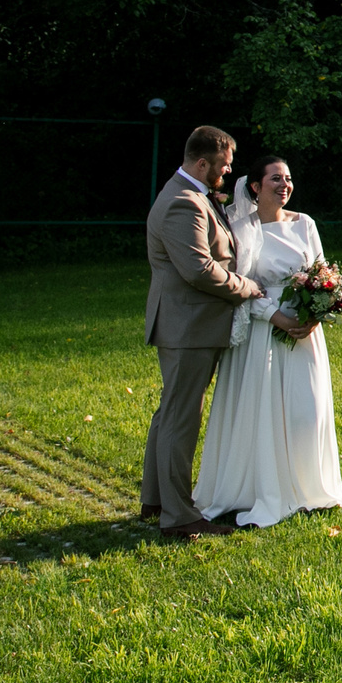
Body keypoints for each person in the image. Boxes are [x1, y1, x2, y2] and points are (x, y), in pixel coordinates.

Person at [193, 154, 342, 528]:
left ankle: (306, 486)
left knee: (305, 410)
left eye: (288, 179)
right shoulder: (239, 225)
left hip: (303, 331)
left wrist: (316, 313)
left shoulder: (305, 224)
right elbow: (240, 282)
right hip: (262, 330)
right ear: (255, 186)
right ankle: (256, 487)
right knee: (260, 409)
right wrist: (274, 315)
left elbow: (321, 270)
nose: (285, 186)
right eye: (276, 180)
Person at [142, 125, 281, 536]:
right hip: (188, 327)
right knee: (180, 420)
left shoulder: (193, 195)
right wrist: (247, 288)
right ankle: (179, 518)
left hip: (189, 324)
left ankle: (156, 501)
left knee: (171, 413)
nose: (226, 173)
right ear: (202, 163)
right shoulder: (183, 203)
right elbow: (199, 270)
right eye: (223, 166)